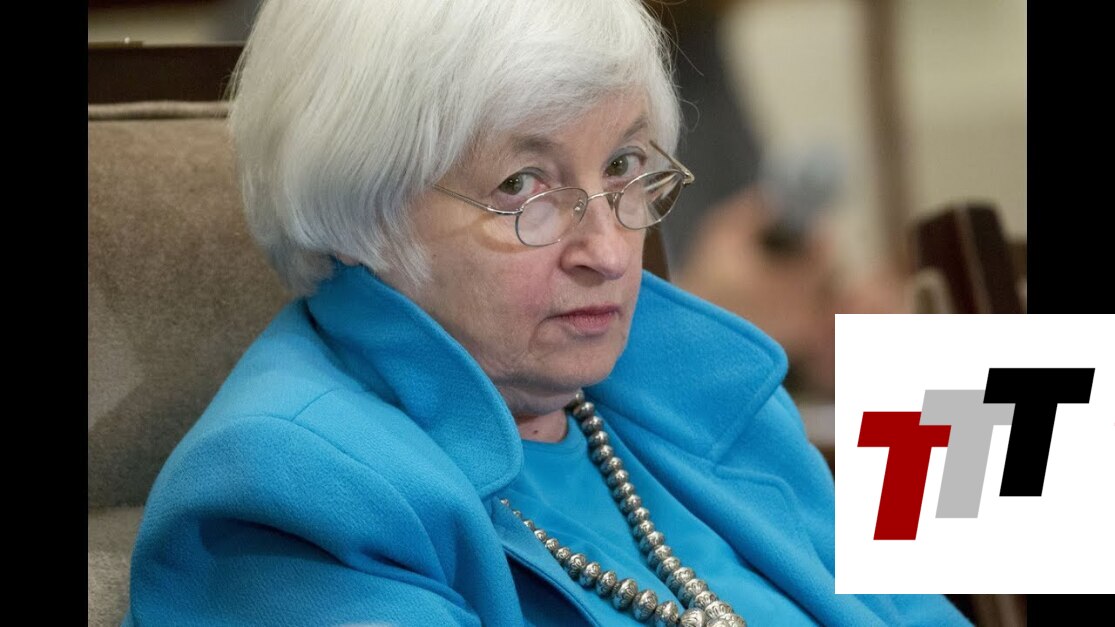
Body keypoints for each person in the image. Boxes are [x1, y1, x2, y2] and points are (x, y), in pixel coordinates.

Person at [124, 1, 969, 625]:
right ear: (362, 216)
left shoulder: (693, 384)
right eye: (521, 185)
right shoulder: (294, 494)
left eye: (623, 165)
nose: (608, 250)